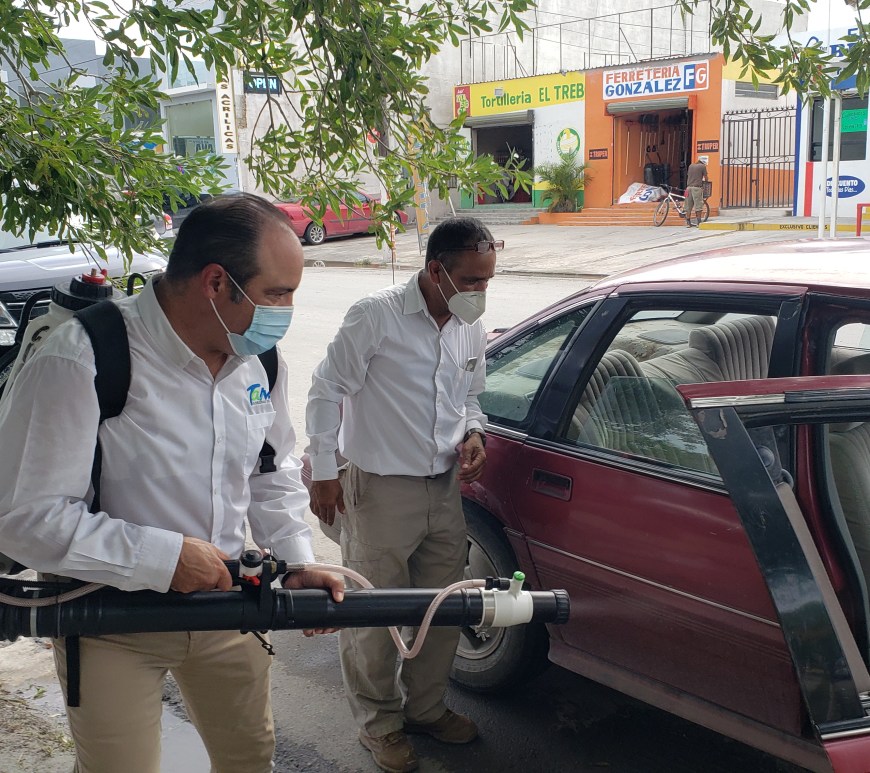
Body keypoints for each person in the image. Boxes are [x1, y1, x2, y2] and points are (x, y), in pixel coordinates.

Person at [0, 193, 344, 773]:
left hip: (227, 605)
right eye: (276, 294)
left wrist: (295, 558)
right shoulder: (84, 356)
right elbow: (25, 517)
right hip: (109, 617)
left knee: (249, 758)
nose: (286, 311)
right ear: (216, 282)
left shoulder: (258, 362)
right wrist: (163, 558)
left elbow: (270, 469)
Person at [306, 217, 497, 773]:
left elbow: (470, 396)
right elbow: (325, 390)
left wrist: (475, 433)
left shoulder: (468, 327)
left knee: (442, 607)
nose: (481, 291)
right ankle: (379, 724)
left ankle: (426, 710)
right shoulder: (376, 316)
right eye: (472, 280)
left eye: (488, 280)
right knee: (374, 614)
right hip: (380, 491)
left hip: (444, 487)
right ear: (436, 271)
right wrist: (325, 471)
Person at [685, 155, 709, 227]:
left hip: (688, 188)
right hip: (697, 188)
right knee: (698, 206)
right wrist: (705, 182)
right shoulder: (702, 166)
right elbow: (706, 177)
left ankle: (688, 223)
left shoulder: (691, 166)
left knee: (688, 206)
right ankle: (698, 223)